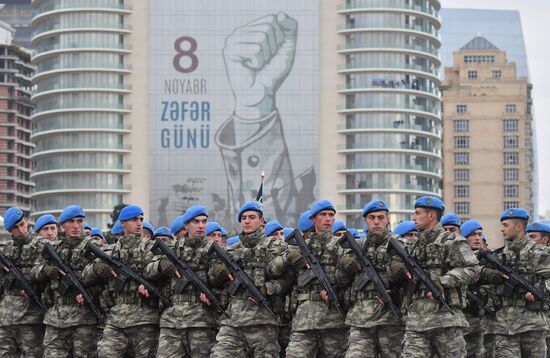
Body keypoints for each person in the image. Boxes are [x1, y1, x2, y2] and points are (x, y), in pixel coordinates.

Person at [389, 196, 479, 357]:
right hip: (416, 321)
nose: (414, 217)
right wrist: (395, 265)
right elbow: (390, 255)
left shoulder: (452, 241)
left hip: (446, 319)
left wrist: (444, 281)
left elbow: (473, 270)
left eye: (418, 213)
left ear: (431, 216)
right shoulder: (412, 244)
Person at [210, 201, 289, 357]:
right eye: (244, 218)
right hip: (233, 321)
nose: (247, 221)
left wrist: (268, 288)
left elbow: (289, 280)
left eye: (252, 217)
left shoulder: (276, 246)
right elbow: (213, 280)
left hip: (263, 321)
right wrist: (217, 271)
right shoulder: (231, 250)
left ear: (261, 221)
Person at [146, 206, 220, 357]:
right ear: (186, 225)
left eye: (204, 221)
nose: (201, 226)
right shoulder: (172, 250)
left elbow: (224, 284)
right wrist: (160, 265)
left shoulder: (214, 251)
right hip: (172, 322)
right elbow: (147, 271)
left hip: (201, 322)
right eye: (196, 222)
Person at [90, 205, 161, 358]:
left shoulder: (152, 249)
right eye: (134, 219)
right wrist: (97, 268)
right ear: (123, 223)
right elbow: (86, 275)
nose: (139, 223)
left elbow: (163, 273)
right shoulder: (110, 252)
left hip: (145, 319)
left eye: (141, 219)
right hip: (116, 320)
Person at [337, 200, 403, 358]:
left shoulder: (398, 244)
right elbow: (341, 281)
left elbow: (409, 280)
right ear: (366, 221)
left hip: (389, 319)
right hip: (360, 319)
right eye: (372, 218)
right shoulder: (356, 245)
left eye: (381, 217)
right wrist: (344, 265)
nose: (376, 222)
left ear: (387, 220)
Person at [32, 205, 100, 357]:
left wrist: (91, 292)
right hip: (55, 319)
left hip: (84, 319)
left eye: (79, 221)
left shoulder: (93, 248)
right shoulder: (53, 249)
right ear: (62, 225)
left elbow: (105, 280)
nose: (76, 226)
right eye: (71, 222)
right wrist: (45, 270)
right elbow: (33, 272)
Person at [482, 208, 550, 357]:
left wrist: (539, 290)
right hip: (504, 327)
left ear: (519, 227)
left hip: (532, 325)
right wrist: (486, 272)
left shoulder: (541, 254)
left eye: (505, 225)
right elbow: (472, 269)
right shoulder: (497, 256)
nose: (502, 229)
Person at [286, 199, 348, 358]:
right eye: (323, 215)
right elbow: (282, 275)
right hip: (304, 320)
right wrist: (289, 256)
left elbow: (348, 282)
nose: (328, 219)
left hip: (333, 320)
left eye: (331, 215)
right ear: (313, 219)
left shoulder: (342, 247)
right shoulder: (299, 247)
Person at [0, 207, 45, 357]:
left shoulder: (42, 246)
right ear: (10, 231)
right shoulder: (6, 250)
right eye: (15, 227)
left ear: (26, 221)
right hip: (6, 317)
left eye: (22, 224)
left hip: (30, 316)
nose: (21, 230)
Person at [460, 219, 488, 358]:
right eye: (472, 234)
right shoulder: (456, 259)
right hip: (460, 319)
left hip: (481, 319)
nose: (477, 238)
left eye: (479, 234)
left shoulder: (487, 260)